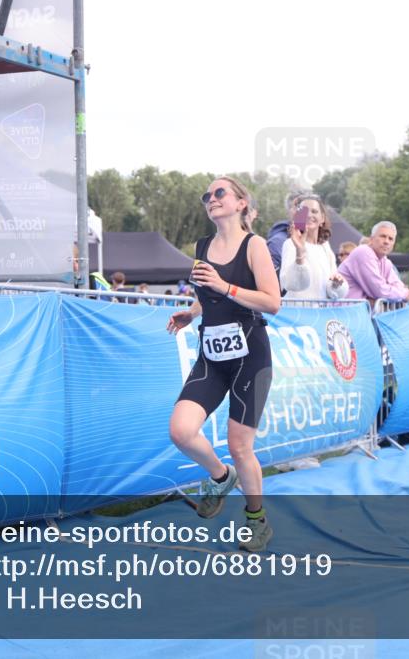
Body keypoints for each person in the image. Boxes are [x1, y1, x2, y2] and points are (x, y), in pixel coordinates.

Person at [166, 176, 281, 552]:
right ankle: (220, 477)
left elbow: (272, 302)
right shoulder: (202, 246)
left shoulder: (254, 245)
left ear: (241, 203)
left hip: (250, 356)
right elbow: (208, 293)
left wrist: (224, 287)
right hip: (212, 355)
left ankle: (257, 521)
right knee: (181, 431)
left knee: (240, 446)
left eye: (219, 193)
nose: (211, 199)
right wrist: (192, 311)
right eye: (207, 195)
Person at [279, 195, 348, 300]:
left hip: (322, 310)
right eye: (304, 212)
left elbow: (331, 291)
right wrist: (299, 253)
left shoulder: (325, 248)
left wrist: (336, 284)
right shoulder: (290, 244)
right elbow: (289, 283)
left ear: (322, 218)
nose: (309, 215)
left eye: (314, 211)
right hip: (297, 309)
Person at [338, 222, 409, 305]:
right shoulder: (364, 252)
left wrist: (400, 292)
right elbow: (380, 290)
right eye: (383, 236)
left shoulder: (385, 261)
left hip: (357, 310)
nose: (386, 241)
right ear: (371, 239)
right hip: (345, 310)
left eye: (390, 239)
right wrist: (405, 294)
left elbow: (398, 285)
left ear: (393, 244)